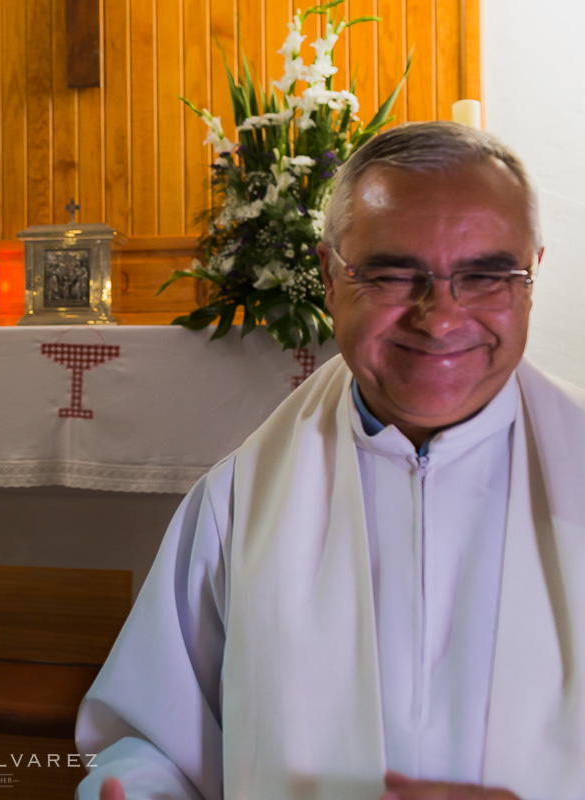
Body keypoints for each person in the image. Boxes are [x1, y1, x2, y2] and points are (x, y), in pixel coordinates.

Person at [76, 121, 585, 800]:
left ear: (531, 277)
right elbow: (151, 737)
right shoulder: (240, 500)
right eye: (393, 273)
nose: (438, 319)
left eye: (487, 275)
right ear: (329, 275)